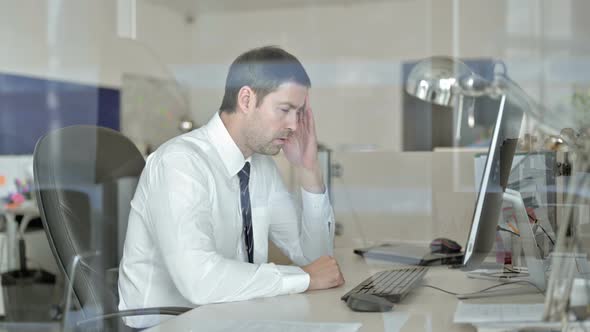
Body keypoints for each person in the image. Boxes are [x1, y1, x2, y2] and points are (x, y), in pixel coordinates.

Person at [118, 46, 344, 328]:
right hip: (166, 325)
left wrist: (309, 170)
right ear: (247, 99)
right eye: (285, 110)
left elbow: (317, 260)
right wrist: (304, 277)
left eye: (298, 113)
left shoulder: (260, 167)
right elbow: (198, 281)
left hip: (231, 319)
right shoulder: (180, 163)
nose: (294, 125)